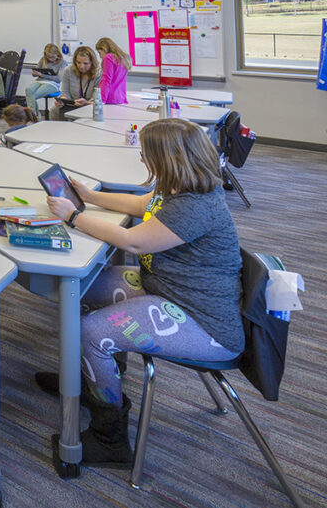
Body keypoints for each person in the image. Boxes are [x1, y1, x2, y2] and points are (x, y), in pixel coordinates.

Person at [38, 118, 243, 467]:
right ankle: (91, 377)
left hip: (203, 323)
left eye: (147, 154)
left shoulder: (196, 206)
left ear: (168, 158)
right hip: (168, 291)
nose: (144, 159)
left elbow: (133, 240)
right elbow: (140, 206)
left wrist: (74, 216)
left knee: (91, 331)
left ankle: (110, 438)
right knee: (82, 288)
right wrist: (89, 196)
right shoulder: (176, 187)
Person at [53, 46, 100, 120]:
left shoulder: (98, 74)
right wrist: (62, 100)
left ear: (92, 63)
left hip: (89, 106)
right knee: (54, 110)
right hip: (72, 104)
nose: (81, 66)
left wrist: (86, 103)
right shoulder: (68, 71)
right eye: (78, 62)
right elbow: (65, 93)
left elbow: (97, 98)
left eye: (86, 63)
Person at [25, 44, 68, 115]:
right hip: (40, 81)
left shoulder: (62, 62)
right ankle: (34, 115)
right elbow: (34, 74)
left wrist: (41, 75)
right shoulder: (43, 59)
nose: (50, 59)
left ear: (57, 54)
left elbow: (58, 79)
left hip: (52, 84)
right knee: (28, 89)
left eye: (52, 57)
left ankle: (32, 116)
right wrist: (35, 73)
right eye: (48, 57)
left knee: (32, 95)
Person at [95, 37, 131, 104]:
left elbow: (106, 79)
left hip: (109, 97)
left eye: (99, 53)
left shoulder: (108, 57)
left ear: (104, 49)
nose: (100, 56)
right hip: (120, 98)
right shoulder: (123, 57)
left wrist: (102, 100)